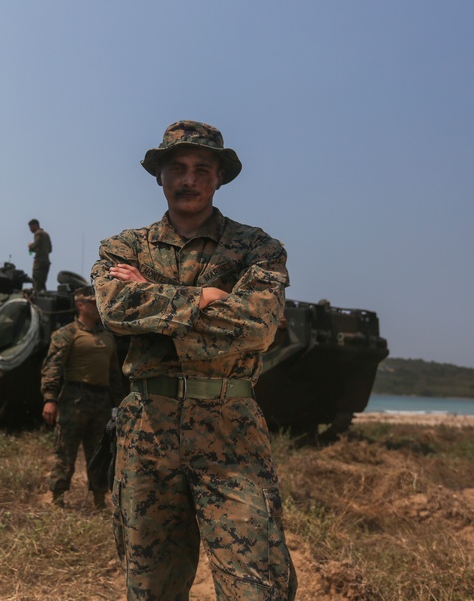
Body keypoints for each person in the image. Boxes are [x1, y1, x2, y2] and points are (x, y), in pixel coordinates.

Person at [91, 120, 297, 600]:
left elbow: (256, 326)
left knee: (257, 586)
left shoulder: (258, 249)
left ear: (218, 177)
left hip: (231, 432)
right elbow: (115, 309)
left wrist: (153, 298)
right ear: (160, 176)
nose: (189, 179)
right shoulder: (122, 247)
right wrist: (204, 297)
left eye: (202, 169)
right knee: (151, 586)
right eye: (177, 168)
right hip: (148, 433)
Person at [40, 286, 125, 509]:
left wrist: (121, 404)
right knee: (64, 452)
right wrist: (50, 399)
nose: (98, 305)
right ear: (80, 305)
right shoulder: (66, 334)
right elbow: (53, 368)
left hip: (101, 402)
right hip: (73, 400)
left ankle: (99, 501)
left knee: (99, 453)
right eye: (92, 301)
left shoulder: (107, 336)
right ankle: (57, 499)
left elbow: (115, 375)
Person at [27, 218, 52, 291]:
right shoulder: (46, 234)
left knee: (36, 282)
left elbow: (35, 245)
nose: (30, 229)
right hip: (46, 262)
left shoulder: (38, 233)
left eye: (31, 227)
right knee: (42, 284)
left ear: (36, 225)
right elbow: (50, 249)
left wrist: (30, 246)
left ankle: (36, 299)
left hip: (39, 262)